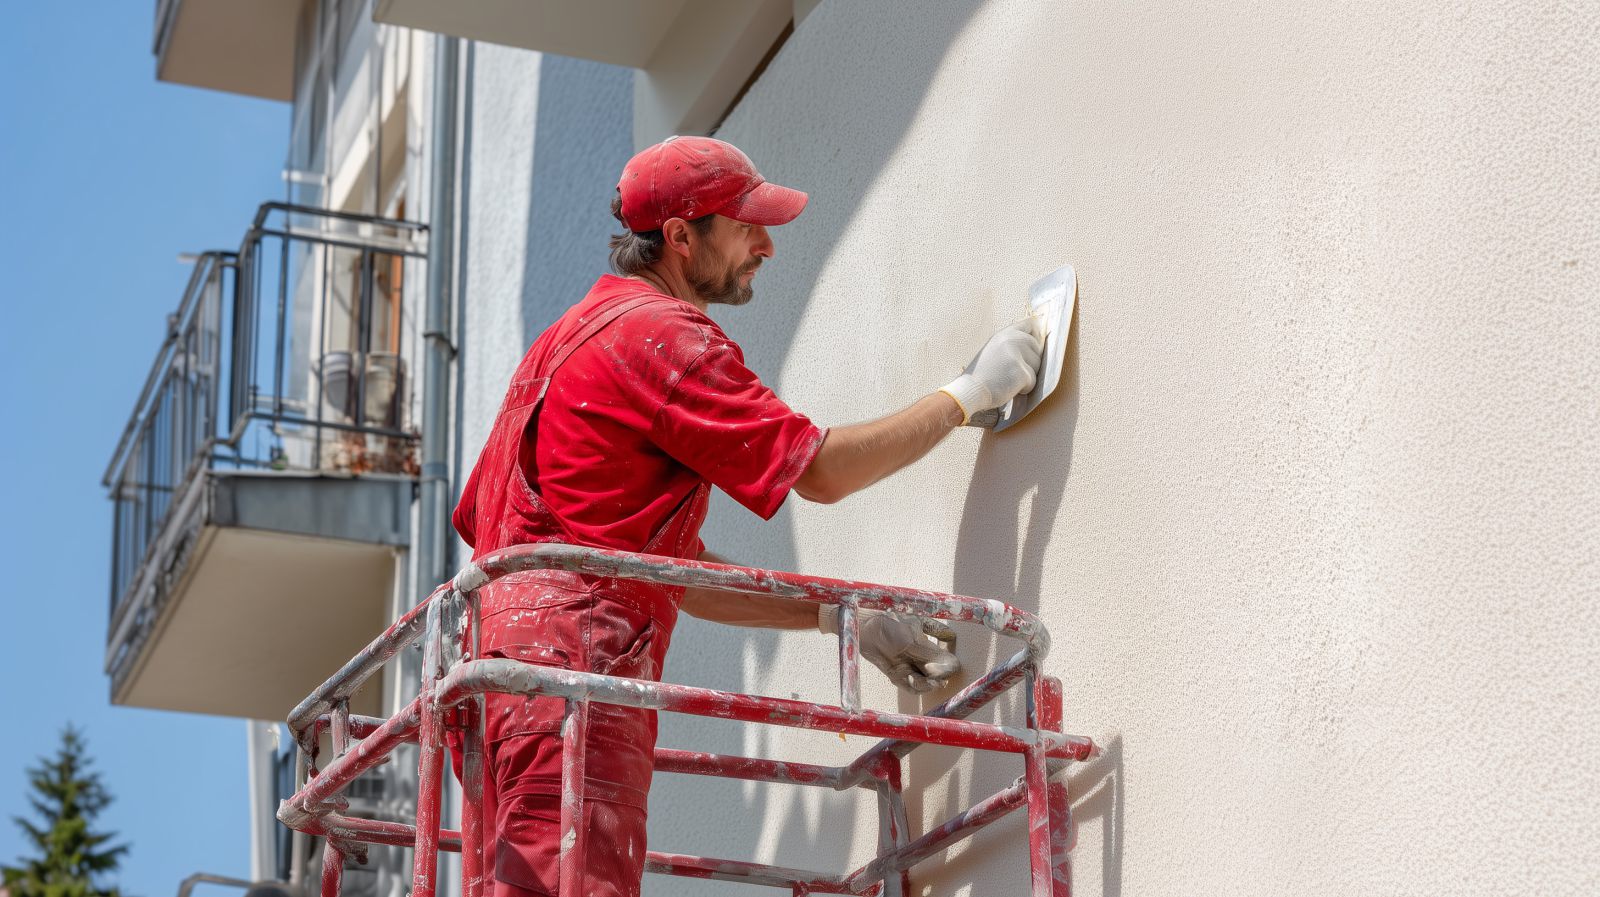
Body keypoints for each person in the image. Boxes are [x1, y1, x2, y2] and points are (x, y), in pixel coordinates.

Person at [450, 135, 1044, 897]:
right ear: (680, 235)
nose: (766, 246)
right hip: (574, 673)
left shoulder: (560, 344)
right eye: (745, 226)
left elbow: (658, 572)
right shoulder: (660, 335)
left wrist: (836, 614)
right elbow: (821, 471)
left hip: (495, 681)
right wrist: (965, 397)